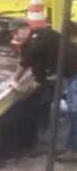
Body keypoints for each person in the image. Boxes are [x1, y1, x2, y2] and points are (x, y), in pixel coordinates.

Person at [9, 19, 77, 161]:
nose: (14, 36)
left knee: (74, 110)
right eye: (11, 33)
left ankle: (73, 150)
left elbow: (30, 56)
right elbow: (40, 77)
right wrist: (24, 91)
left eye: (16, 31)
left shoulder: (42, 35)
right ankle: (71, 147)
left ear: (26, 28)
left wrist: (14, 78)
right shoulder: (30, 50)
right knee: (66, 109)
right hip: (70, 75)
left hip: (74, 71)